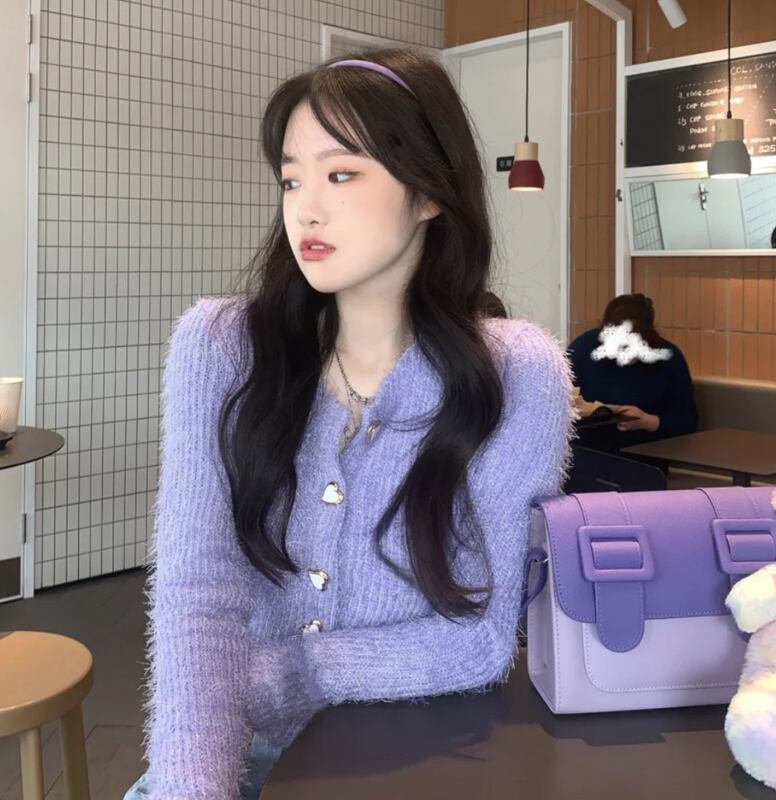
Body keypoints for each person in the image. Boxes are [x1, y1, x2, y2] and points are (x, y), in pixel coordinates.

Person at [124, 48, 574, 800]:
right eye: (290, 179)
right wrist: (193, 787)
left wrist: (286, 671)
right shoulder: (221, 348)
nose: (305, 208)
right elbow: (197, 597)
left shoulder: (517, 371)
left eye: (340, 174)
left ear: (429, 193)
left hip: (423, 756)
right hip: (241, 753)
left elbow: (480, 637)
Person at [567, 293, 698, 459]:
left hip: (645, 453)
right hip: (588, 450)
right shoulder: (583, 349)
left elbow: (688, 422)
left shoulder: (668, 358)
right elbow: (556, 405)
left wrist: (647, 421)